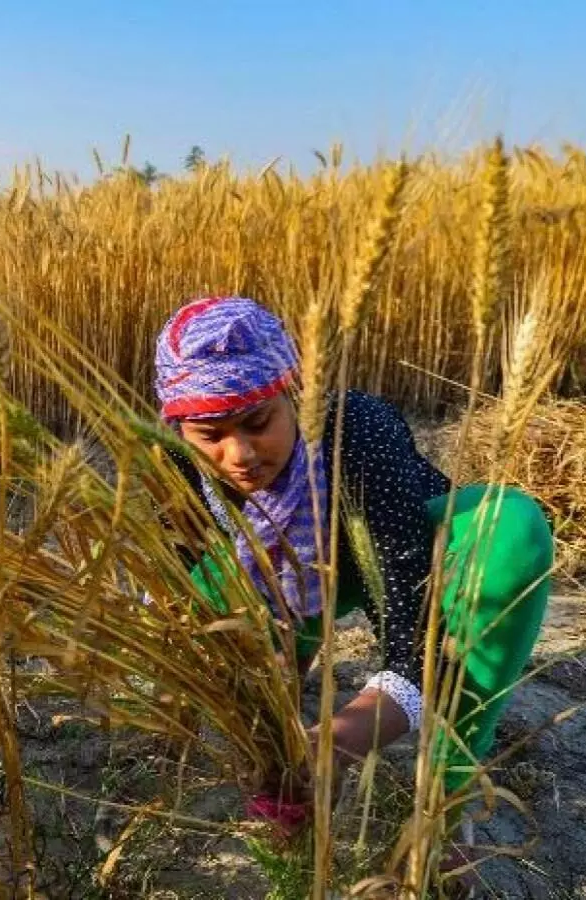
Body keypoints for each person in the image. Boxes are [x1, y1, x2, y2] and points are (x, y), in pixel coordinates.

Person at [152, 296, 554, 878]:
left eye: (258, 423)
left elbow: (411, 626)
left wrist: (340, 742)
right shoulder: (175, 461)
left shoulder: (359, 432)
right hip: (280, 584)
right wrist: (217, 696)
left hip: (403, 563)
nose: (239, 455)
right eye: (210, 434)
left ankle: (449, 790)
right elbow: (177, 583)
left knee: (512, 529)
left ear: (296, 395)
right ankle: (282, 715)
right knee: (201, 596)